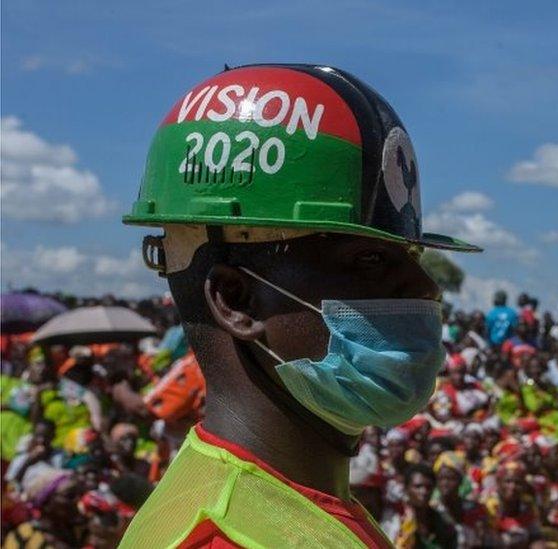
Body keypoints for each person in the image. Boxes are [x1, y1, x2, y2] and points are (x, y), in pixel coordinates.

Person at [119, 63, 480, 547]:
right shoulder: (224, 538)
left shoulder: (294, 507)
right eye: (370, 258)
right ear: (235, 300)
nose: (425, 285)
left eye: (411, 256)